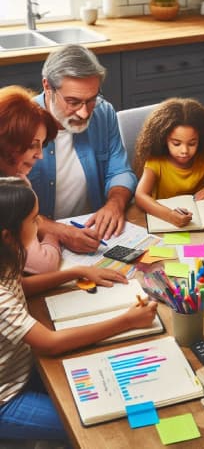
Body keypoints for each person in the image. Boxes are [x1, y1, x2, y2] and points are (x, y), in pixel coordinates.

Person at [0, 177, 158, 443]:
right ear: (8, 233)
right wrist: (127, 321)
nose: (39, 225)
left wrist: (75, 272)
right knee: (96, 427)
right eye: (34, 220)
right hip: (7, 398)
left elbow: (21, 287)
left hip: (24, 367)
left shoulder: (7, 253)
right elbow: (50, 343)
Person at [28, 44, 137, 254]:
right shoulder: (17, 126)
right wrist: (60, 232)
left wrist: (115, 203)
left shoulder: (103, 113)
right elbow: (9, 209)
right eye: (73, 102)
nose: (85, 113)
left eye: (91, 99)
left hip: (94, 236)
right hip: (38, 244)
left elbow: (120, 172)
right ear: (48, 87)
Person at [133, 98, 204, 227]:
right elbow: (140, 196)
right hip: (166, 221)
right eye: (176, 144)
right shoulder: (155, 162)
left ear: (201, 140)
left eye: (192, 143)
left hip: (199, 222)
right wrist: (170, 215)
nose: (185, 151)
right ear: (164, 140)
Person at [0, 85, 61, 275]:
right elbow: (43, 264)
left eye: (42, 145)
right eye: (33, 145)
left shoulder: (17, 178)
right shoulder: (12, 194)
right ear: (8, 142)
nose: (40, 156)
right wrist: (53, 238)